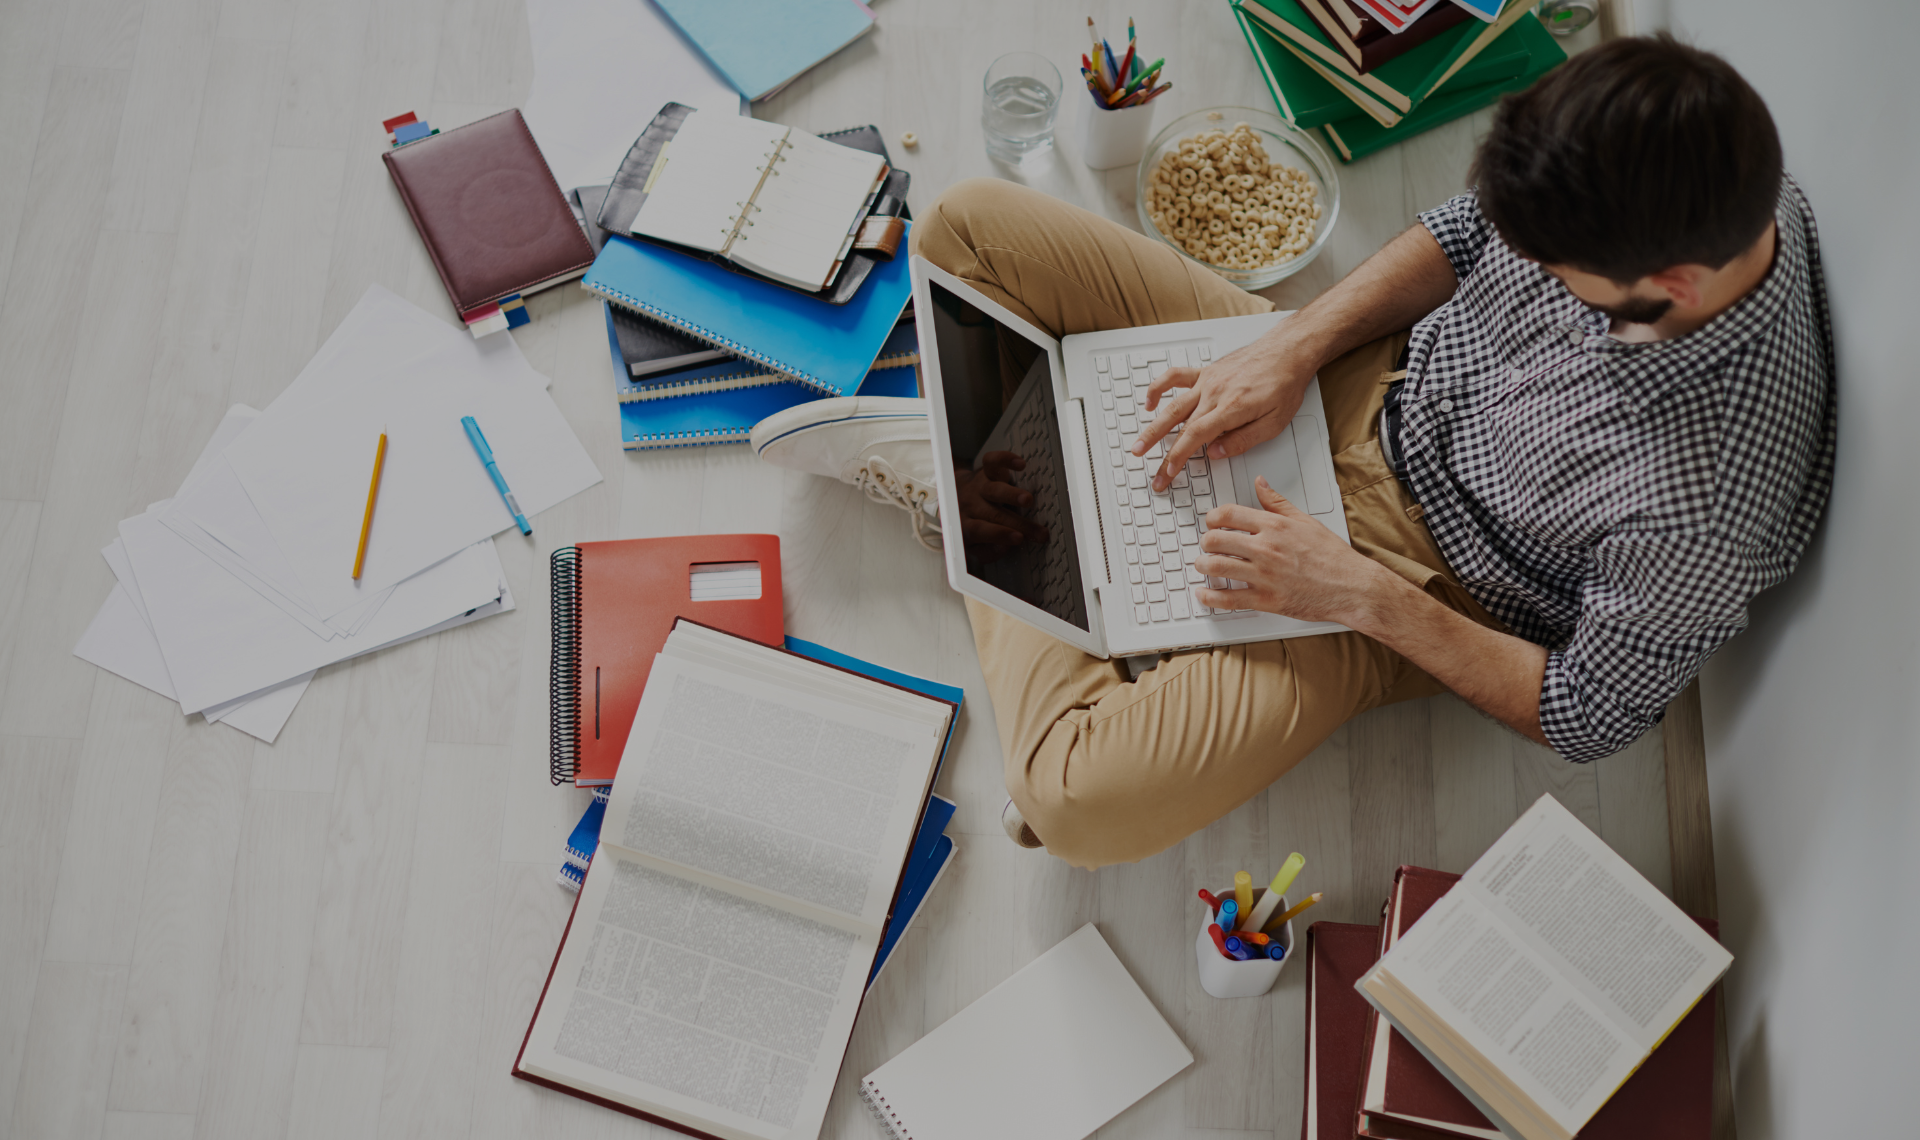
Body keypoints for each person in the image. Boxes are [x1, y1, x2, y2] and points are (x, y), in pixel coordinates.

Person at [753, 35, 1834, 868]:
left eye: (1554, 272)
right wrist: (1292, 342)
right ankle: (1045, 515)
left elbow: (1587, 712)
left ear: (1675, 289)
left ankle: (976, 494)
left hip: (1410, 577)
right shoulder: (1689, 158)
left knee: (1071, 800)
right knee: (965, 225)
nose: (1525, 265)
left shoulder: (1706, 502)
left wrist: (1358, 594)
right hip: (1360, 374)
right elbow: (1464, 235)